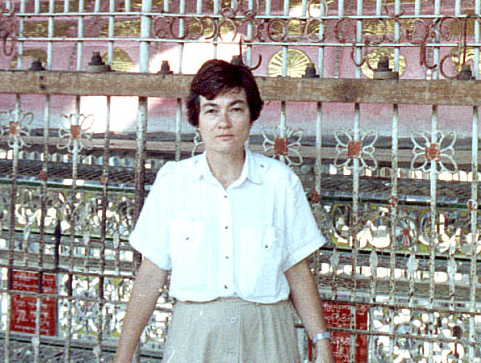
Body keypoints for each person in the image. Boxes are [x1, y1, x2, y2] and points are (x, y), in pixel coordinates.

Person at [113, 59, 334, 363]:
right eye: (212, 110)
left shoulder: (279, 182)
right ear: (197, 118)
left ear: (252, 115)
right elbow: (151, 275)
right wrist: (123, 356)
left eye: (235, 109)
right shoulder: (173, 182)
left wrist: (321, 342)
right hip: (194, 340)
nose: (224, 122)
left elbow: (296, 268)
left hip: (268, 339)